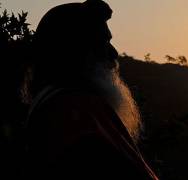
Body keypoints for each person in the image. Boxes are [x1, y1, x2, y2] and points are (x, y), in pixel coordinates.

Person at [24, 0, 158, 179]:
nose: (113, 53)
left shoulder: (72, 107)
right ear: (74, 48)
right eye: (103, 41)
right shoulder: (74, 112)